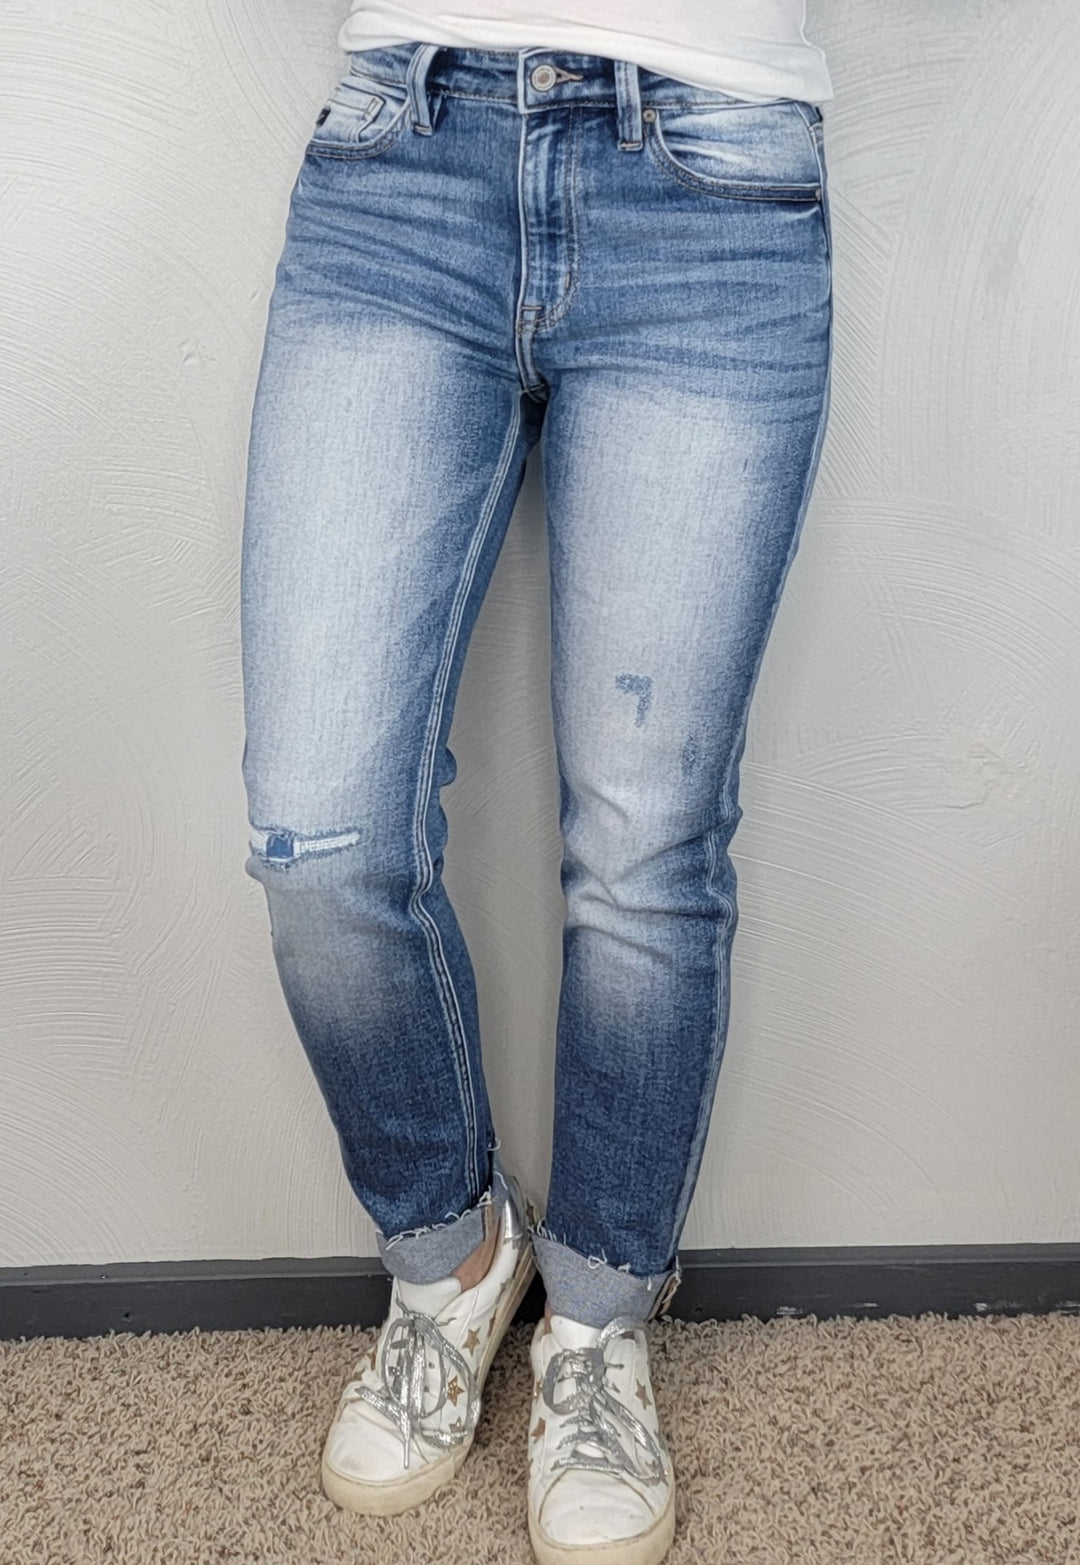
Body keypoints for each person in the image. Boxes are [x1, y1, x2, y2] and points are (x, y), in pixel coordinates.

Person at [240, 3, 832, 1560]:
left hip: (714, 172)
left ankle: (600, 1322)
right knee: (322, 832)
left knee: (645, 844)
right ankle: (453, 1257)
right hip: (403, 155)